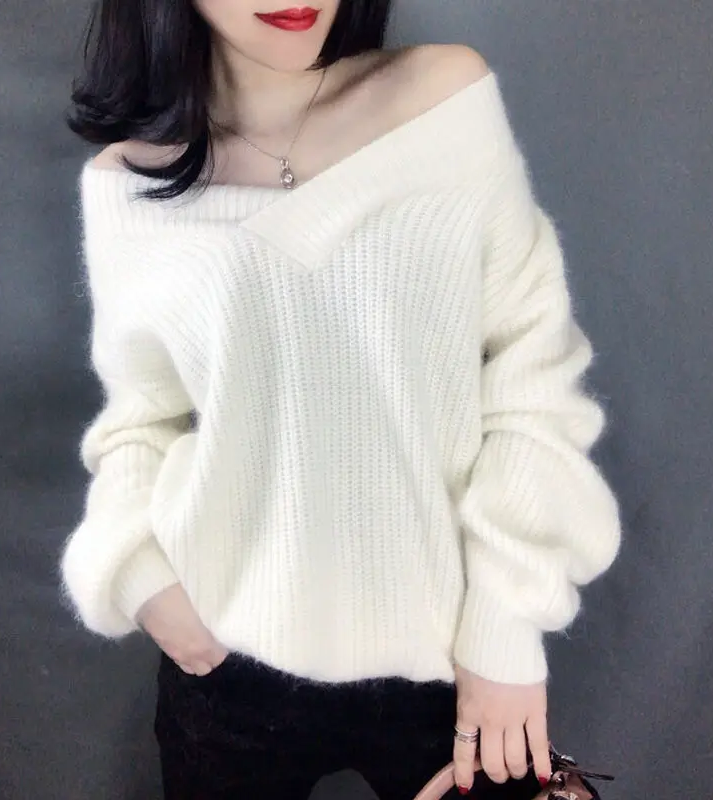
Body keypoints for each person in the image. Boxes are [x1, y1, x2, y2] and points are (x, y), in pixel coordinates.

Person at [60, 1, 622, 798]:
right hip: (227, 667)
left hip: (449, 664)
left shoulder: (442, 96)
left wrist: (505, 629)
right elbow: (138, 423)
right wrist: (143, 579)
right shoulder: (129, 183)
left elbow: (532, 369)